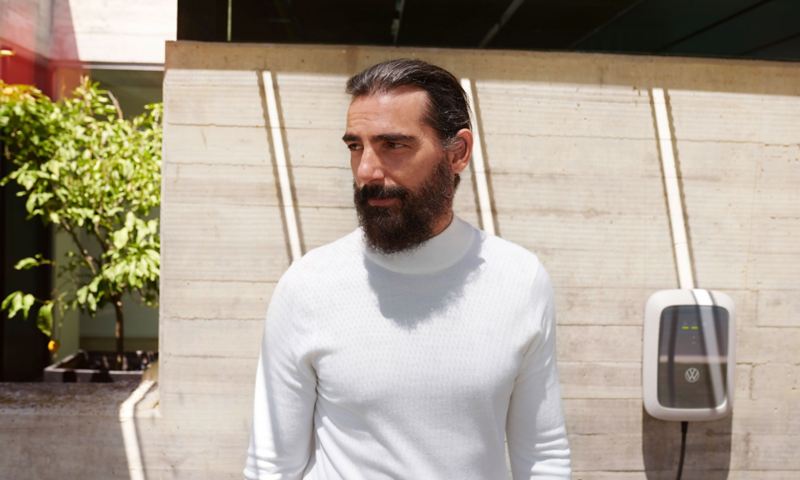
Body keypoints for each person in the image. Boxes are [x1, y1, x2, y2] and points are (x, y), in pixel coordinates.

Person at [244, 59, 571, 479]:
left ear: (458, 153)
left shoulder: (520, 280)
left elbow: (543, 455)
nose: (366, 171)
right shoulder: (308, 285)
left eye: (393, 145)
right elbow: (271, 464)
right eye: (355, 146)